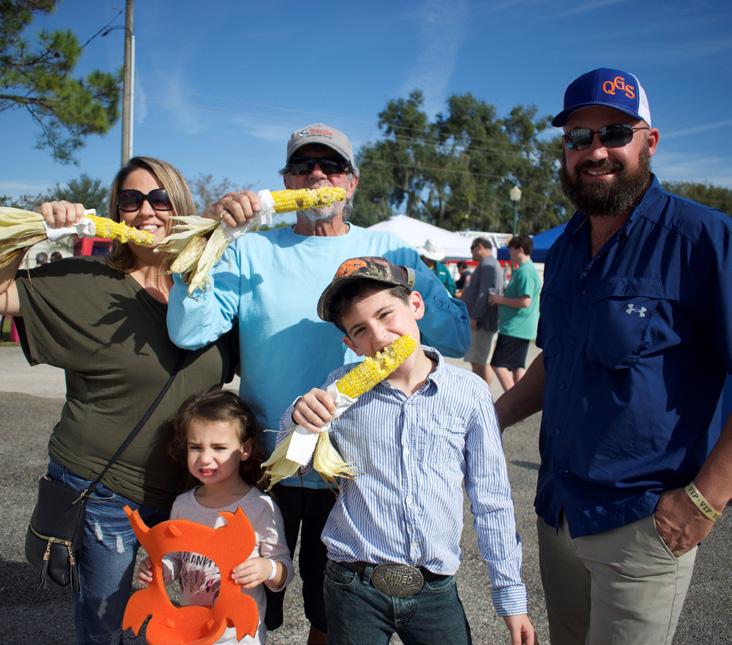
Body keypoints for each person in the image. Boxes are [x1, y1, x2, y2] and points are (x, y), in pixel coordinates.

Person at [166, 123, 470, 644]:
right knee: (238, 599)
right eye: (302, 166)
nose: (316, 176)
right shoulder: (250, 249)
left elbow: (457, 335)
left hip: (352, 469)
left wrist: (414, 283)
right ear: (285, 179)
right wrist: (213, 238)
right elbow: (187, 329)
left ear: (351, 182)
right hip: (266, 466)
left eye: (331, 166)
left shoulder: (387, 249)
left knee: (331, 615)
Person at [495, 67, 732, 645]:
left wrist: (705, 499)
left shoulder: (703, 240)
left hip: (643, 522)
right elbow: (558, 358)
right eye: (579, 137)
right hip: (560, 512)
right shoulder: (567, 247)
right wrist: (487, 418)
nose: (596, 151)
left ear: (650, 142)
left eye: (616, 133)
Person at [0, 156, 237, 644]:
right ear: (116, 210)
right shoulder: (84, 280)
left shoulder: (212, 286)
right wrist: (31, 233)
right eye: (131, 200)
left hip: (190, 493)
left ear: (182, 206)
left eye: (160, 198)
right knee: (106, 624)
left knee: (183, 619)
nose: (146, 210)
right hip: (105, 491)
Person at [284, 256, 535, 645]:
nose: (379, 335)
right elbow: (294, 462)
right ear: (350, 344)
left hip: (434, 587)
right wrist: (298, 417)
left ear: (415, 305)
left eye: (386, 314)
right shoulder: (339, 389)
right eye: (360, 330)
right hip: (354, 583)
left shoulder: (469, 394)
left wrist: (510, 596)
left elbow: (492, 500)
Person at [134, 389, 294, 645]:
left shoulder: (260, 507)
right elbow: (176, 558)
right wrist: (161, 570)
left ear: (245, 449)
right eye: (195, 447)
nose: (205, 458)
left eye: (219, 448)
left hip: (239, 636)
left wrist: (267, 569)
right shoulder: (183, 505)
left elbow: (284, 569)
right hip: (192, 629)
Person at [487, 235, 540, 392]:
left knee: (498, 364)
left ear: (520, 250)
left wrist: (499, 299)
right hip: (521, 327)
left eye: (511, 250)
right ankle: (521, 400)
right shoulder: (525, 269)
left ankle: (512, 400)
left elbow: (525, 302)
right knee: (517, 367)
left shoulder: (525, 271)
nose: (509, 253)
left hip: (515, 327)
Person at [461, 237, 503, 386]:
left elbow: (485, 293)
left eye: (471, 249)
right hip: (484, 321)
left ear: (479, 247)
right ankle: (484, 394)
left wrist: (475, 317)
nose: (471, 253)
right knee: (481, 361)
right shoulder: (490, 264)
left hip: (482, 323)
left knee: (478, 361)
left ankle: (481, 395)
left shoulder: (487, 264)